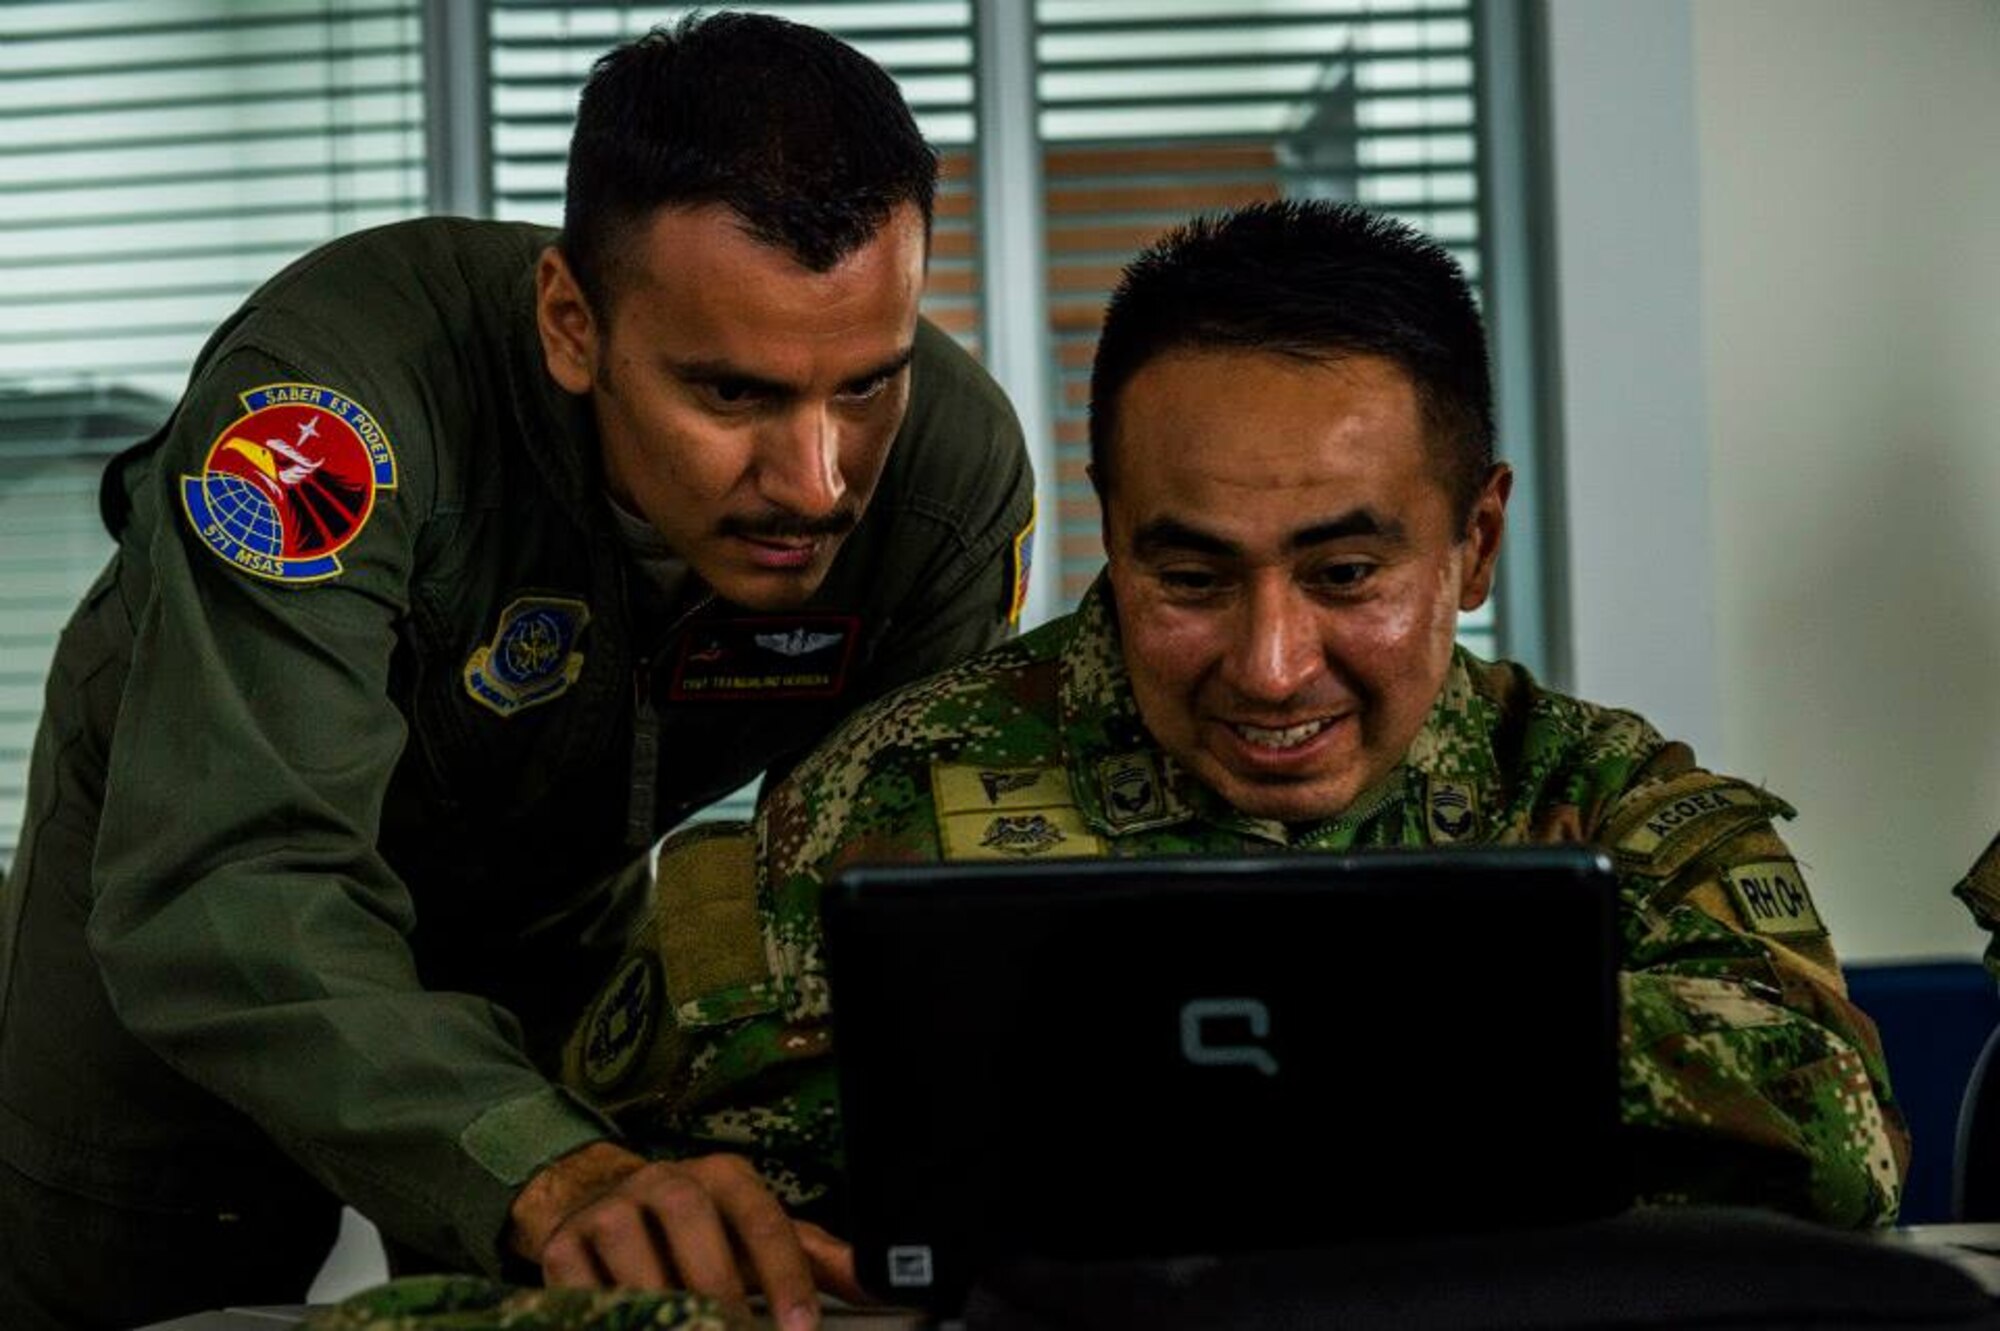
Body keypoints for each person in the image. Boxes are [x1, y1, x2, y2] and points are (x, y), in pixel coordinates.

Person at [556, 199, 1907, 1262]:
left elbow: (1840, 1140)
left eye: (1345, 577)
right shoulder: (878, 797)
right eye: (1189, 579)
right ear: (1113, 527)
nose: (1270, 669)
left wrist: (1320, 1039)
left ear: (1474, 541)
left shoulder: (1603, 800)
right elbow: (682, 1195)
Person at [0, 13, 1032, 1331]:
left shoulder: (948, 480)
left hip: (556, 911)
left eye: (867, 386)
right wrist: (543, 1167)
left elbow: (892, 912)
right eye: (731, 397)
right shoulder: (319, 414)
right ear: (568, 323)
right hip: (194, 908)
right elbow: (234, 870)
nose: (817, 481)